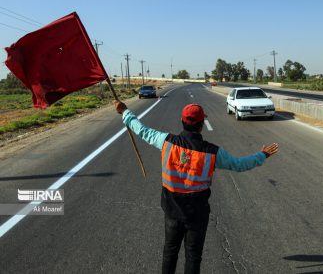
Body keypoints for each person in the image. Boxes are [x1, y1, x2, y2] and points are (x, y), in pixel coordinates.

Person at [114, 101, 279, 274]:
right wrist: (262, 155)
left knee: (170, 253)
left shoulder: (166, 142)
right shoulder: (212, 152)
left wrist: (125, 111)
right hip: (197, 215)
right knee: (193, 256)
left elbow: (142, 130)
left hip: (172, 212)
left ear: (182, 121)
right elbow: (239, 164)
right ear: (201, 126)